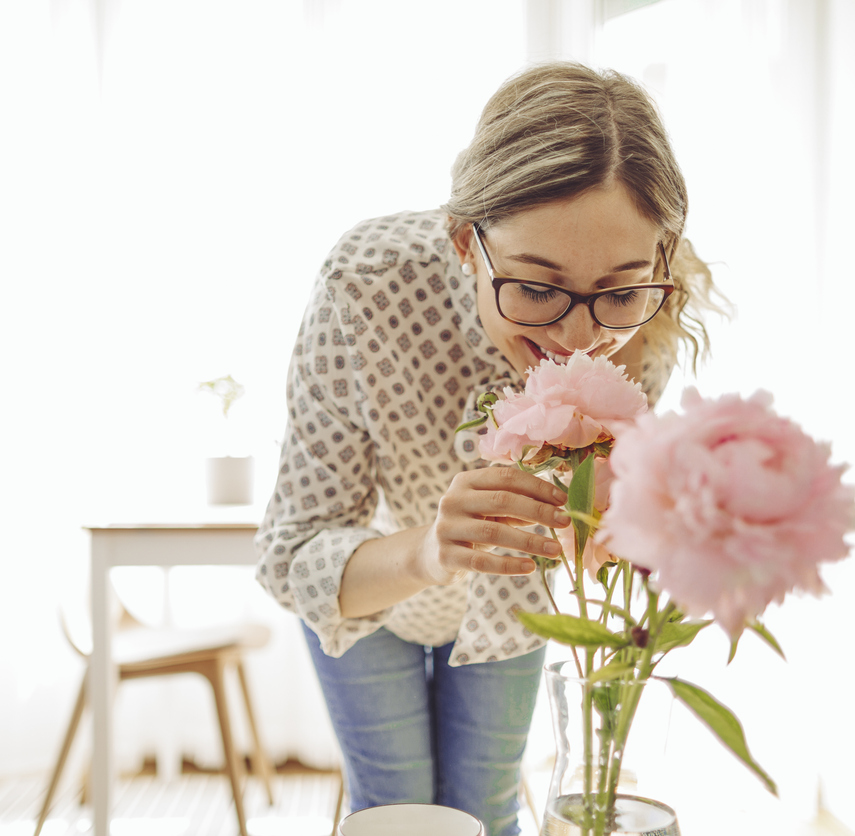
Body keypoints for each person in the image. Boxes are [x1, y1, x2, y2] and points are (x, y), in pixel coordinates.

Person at [253, 62, 718, 836]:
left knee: (487, 810)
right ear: (467, 241)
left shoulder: (641, 335)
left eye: (620, 290)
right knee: (399, 812)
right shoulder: (367, 286)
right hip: (369, 587)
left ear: (660, 262)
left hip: (510, 590)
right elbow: (293, 553)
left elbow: (595, 534)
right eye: (536, 289)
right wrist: (431, 551)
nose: (579, 338)